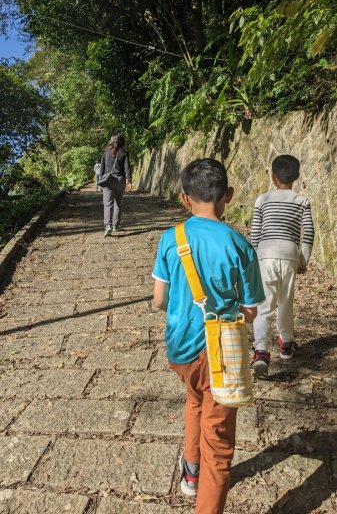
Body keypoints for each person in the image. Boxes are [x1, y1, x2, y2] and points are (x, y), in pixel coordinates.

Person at [152, 158, 265, 514]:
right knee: (219, 443)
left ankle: (190, 473)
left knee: (193, 399)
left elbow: (159, 300)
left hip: (181, 351)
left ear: (185, 199)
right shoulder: (239, 244)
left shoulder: (171, 239)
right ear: (227, 195)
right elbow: (250, 309)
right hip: (221, 355)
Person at [251, 154, 315, 379]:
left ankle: (261, 351)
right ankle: (286, 345)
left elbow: (255, 233)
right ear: (297, 176)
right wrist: (303, 260)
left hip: (265, 254)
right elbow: (308, 233)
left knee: (264, 304)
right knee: (286, 301)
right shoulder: (302, 201)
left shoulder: (262, 200)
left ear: (272, 177)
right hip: (289, 254)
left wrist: (255, 259)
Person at [100, 132, 132, 237]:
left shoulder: (106, 152)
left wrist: (101, 181)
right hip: (120, 180)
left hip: (108, 180)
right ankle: (115, 226)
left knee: (108, 204)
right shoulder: (124, 152)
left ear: (111, 141)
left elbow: (102, 168)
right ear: (121, 141)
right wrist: (129, 181)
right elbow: (127, 168)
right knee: (118, 204)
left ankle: (108, 226)